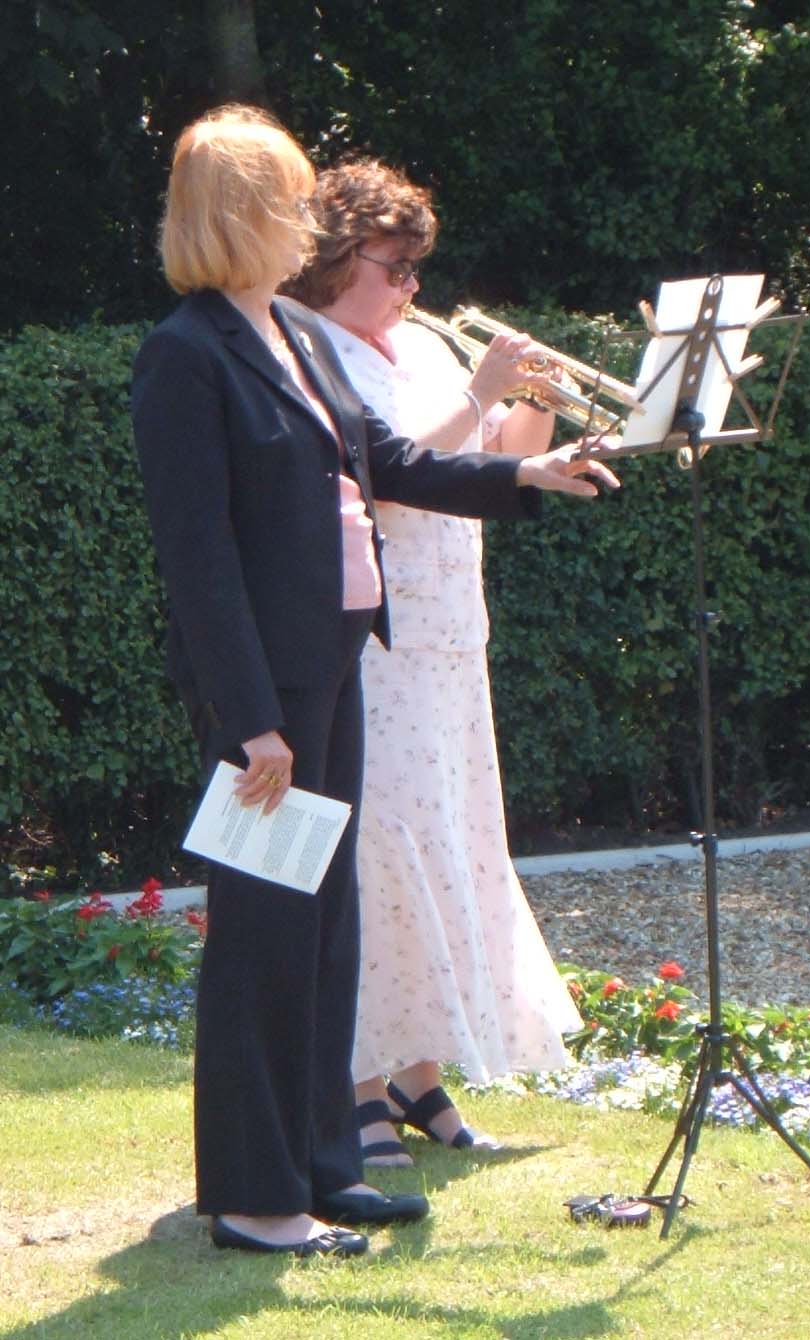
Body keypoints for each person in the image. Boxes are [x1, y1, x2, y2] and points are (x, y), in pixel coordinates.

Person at [132, 105, 619, 1257]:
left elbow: (386, 461)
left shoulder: (287, 335)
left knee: (323, 930)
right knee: (261, 934)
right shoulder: (185, 353)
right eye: (289, 201)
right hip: (268, 696)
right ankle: (253, 1196)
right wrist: (251, 721)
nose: (307, 222)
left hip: (337, 664)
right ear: (244, 214)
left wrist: (526, 473)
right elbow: (198, 561)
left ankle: (322, 1166)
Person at [287, 159, 586, 1166]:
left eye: (417, 268)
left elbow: (493, 461)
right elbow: (393, 472)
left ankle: (417, 1074)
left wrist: (532, 398)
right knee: (378, 850)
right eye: (394, 267)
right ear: (335, 261)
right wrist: (477, 389)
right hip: (375, 635)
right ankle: (357, 1081)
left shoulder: (416, 344)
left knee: (448, 839)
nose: (411, 287)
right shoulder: (307, 347)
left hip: (453, 632)